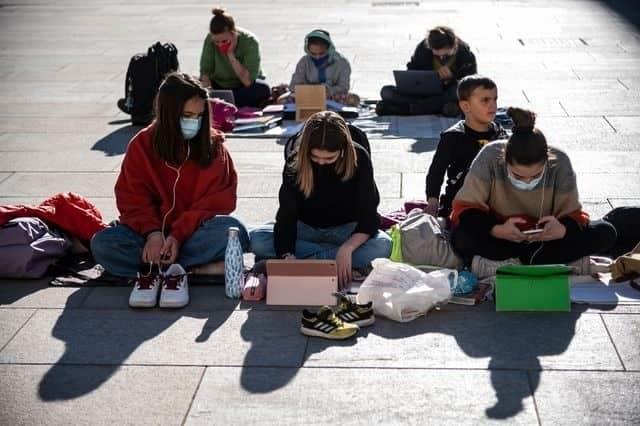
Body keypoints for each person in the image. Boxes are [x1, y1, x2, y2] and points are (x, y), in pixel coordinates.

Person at [91, 72, 249, 307]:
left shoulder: (213, 147)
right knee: (103, 244)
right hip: (148, 237)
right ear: (168, 113)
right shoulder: (142, 145)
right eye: (186, 115)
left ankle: (156, 269)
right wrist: (153, 234)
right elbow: (131, 198)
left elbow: (219, 201)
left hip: (192, 234)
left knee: (234, 231)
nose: (193, 121)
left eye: (199, 115)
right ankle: (195, 269)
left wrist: (177, 236)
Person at [450, 107, 617, 278]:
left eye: (536, 175)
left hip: (546, 240)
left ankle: (514, 263)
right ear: (504, 158)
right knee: (461, 238)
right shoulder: (490, 156)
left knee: (606, 232)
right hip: (503, 237)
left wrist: (563, 230)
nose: (527, 181)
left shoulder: (560, 161)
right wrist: (495, 229)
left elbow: (573, 214)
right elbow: (465, 208)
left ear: (547, 160)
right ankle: (543, 262)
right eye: (517, 175)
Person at [250, 111, 392, 287]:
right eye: (315, 157)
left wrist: (347, 249)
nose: (321, 163)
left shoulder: (359, 157)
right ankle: (333, 265)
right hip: (306, 229)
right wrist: (287, 255)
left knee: (383, 246)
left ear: (343, 150)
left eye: (329, 158)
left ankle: (309, 264)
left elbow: (368, 215)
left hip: (346, 231)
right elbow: (286, 216)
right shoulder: (296, 161)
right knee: (257, 239)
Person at [425, 75, 507, 219]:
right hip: (462, 201)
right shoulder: (453, 137)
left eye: (495, 99)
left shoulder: (500, 134)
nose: (492, 105)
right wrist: (433, 202)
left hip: (495, 201)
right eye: (485, 100)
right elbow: (436, 172)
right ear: (465, 106)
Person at [377, 26, 477, 116]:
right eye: (437, 55)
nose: (441, 57)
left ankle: (409, 109)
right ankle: (435, 108)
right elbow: (413, 71)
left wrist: (451, 78)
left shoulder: (465, 54)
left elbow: (472, 84)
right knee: (386, 92)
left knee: (456, 92)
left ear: (454, 46)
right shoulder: (423, 49)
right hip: (423, 94)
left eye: (446, 55)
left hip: (447, 93)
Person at [199, 7, 270, 108]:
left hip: (243, 86)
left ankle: (227, 104)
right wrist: (209, 94)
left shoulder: (250, 42)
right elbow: (205, 73)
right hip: (220, 86)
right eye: (216, 42)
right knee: (194, 90)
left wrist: (231, 54)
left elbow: (247, 81)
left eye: (224, 41)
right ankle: (225, 104)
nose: (220, 45)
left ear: (233, 34)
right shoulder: (210, 39)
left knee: (262, 89)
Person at [289, 29, 353, 103]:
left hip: (332, 96)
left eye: (321, 53)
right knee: (284, 100)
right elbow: (293, 86)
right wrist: (314, 90)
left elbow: (344, 87)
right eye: (313, 54)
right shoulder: (304, 62)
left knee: (352, 99)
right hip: (308, 96)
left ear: (329, 48)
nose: (317, 57)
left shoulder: (342, 62)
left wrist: (328, 90)